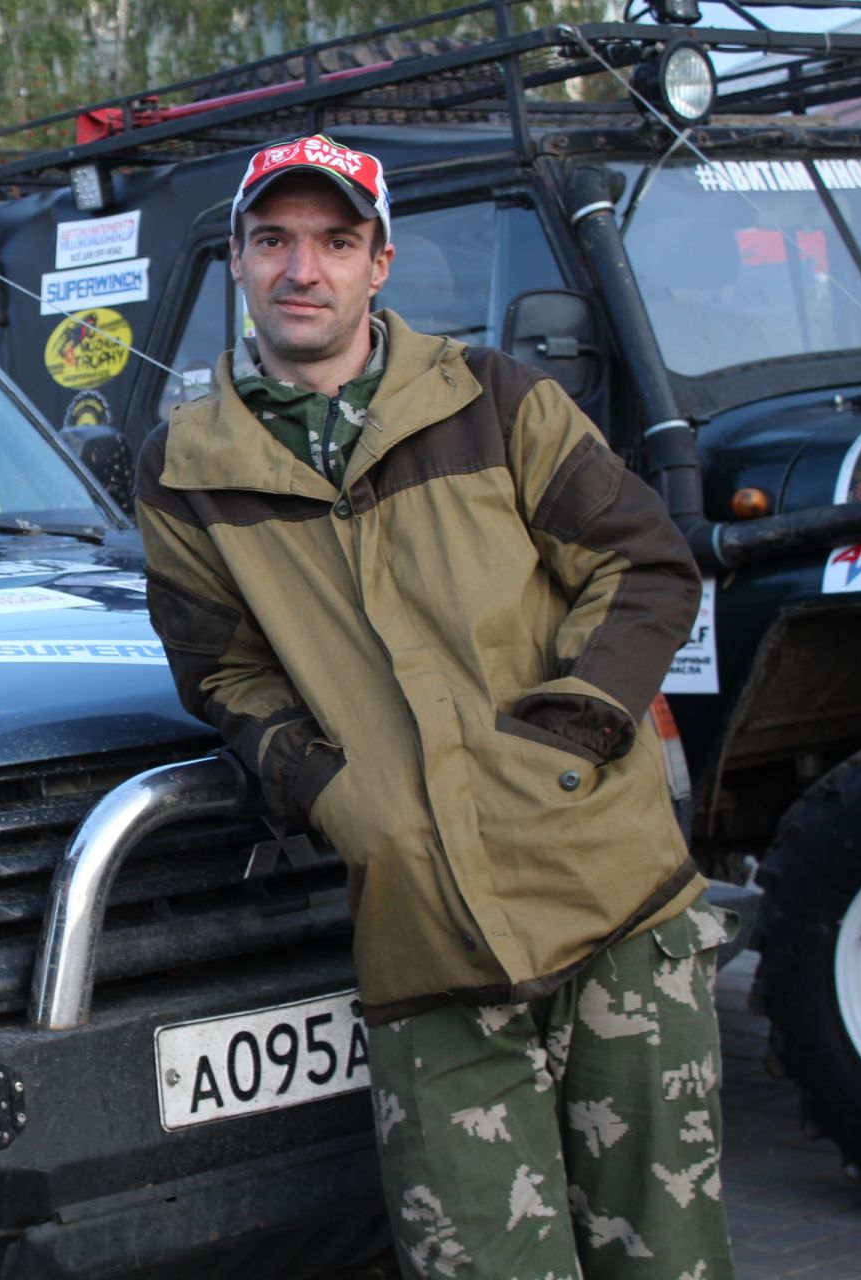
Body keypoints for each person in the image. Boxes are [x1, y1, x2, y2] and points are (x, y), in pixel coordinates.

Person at [136, 134, 737, 1279]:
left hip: (612, 899)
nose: (301, 268)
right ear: (238, 261)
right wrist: (338, 794)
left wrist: (574, 729)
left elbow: (646, 563)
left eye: (334, 241)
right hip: (424, 949)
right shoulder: (184, 467)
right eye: (274, 241)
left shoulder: (497, 400)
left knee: (667, 1259)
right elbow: (221, 671)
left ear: (381, 264)